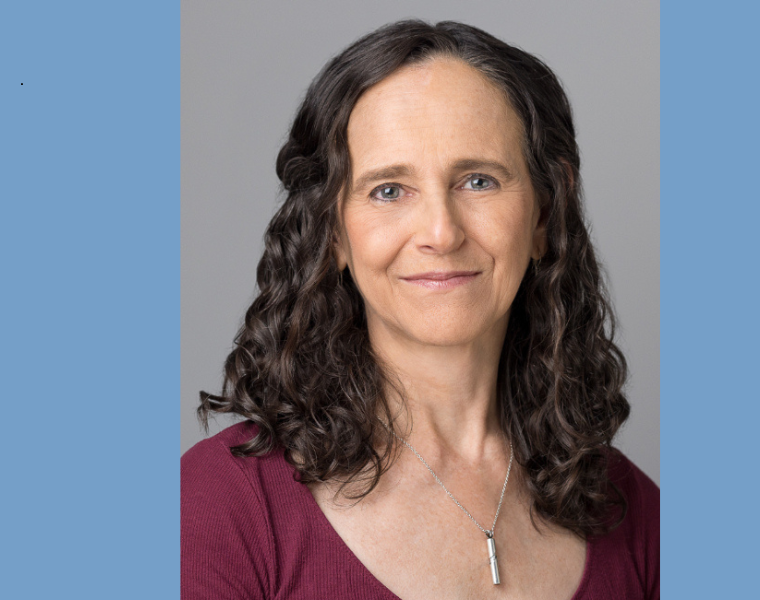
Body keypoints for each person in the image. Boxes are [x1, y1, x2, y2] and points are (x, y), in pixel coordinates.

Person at [181, 20, 658, 599]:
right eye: (388, 189)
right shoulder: (220, 505)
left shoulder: (640, 519)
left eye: (479, 180)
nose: (440, 231)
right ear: (332, 232)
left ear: (543, 215)